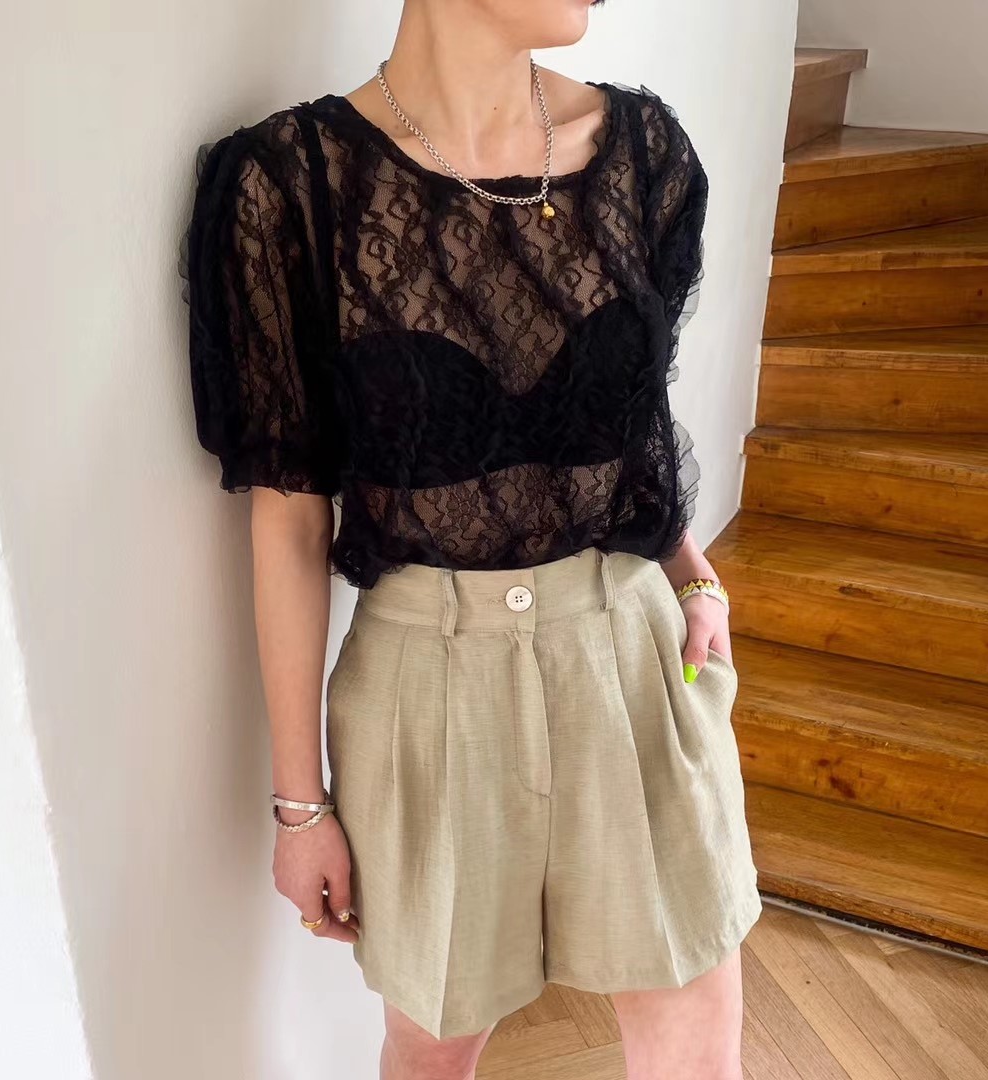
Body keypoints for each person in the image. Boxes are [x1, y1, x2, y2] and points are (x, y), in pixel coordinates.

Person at [181, 1, 760, 1076]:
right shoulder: (291, 185)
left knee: (696, 1042)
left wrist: (694, 574)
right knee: (431, 1053)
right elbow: (290, 515)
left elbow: (626, 422)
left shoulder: (643, 154)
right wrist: (301, 807)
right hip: (427, 691)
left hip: (628, 656)